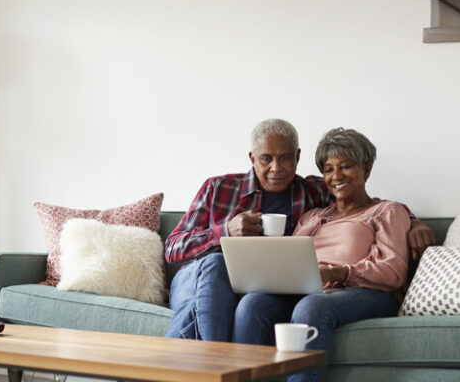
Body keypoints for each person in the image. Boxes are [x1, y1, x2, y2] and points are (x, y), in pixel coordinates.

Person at [164, 119, 434, 342]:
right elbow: (173, 248)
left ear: (297, 157)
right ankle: (217, 365)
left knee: (249, 303)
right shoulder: (219, 188)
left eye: (285, 158)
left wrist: (415, 222)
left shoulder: (311, 193)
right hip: (197, 278)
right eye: (266, 159)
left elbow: (369, 206)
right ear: (252, 158)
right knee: (216, 263)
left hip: (270, 287)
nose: (276, 168)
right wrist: (224, 231)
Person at [232, 127, 412, 382]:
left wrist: (338, 272)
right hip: (308, 289)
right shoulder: (312, 216)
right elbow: (289, 260)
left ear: (367, 169)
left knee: (311, 307)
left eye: (346, 166)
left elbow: (392, 272)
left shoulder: (385, 212)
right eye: (328, 169)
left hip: (366, 292)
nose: (336, 175)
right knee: (252, 304)